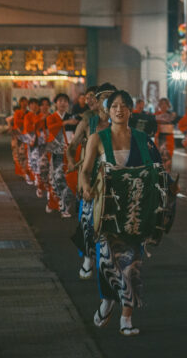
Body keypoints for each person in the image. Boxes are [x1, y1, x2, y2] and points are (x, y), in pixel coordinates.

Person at [79, 89, 165, 336]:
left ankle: (126, 320)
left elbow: (157, 167)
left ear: (130, 110)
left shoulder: (141, 138)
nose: (119, 110)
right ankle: (107, 300)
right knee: (108, 261)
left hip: (135, 208)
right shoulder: (97, 138)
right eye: (114, 105)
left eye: (124, 106)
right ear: (108, 109)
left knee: (132, 262)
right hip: (107, 208)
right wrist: (86, 186)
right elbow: (85, 171)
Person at [67, 85, 112, 280]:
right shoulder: (88, 121)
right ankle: (87, 256)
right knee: (88, 219)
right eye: (103, 99)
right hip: (90, 176)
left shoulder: (122, 123)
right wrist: (71, 161)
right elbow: (71, 147)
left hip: (113, 175)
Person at [44, 93, 74, 216]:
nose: (62, 103)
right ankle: (53, 203)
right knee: (57, 178)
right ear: (55, 103)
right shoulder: (51, 117)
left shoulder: (72, 117)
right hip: (56, 151)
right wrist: (65, 123)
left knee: (69, 179)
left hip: (70, 151)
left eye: (65, 101)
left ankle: (65, 207)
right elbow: (51, 128)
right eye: (60, 101)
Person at [154, 97, 177, 173]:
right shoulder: (156, 114)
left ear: (168, 105)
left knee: (168, 157)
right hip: (159, 138)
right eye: (162, 104)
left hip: (169, 139)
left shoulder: (171, 115)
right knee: (159, 158)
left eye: (165, 104)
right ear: (159, 105)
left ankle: (167, 177)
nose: (163, 106)